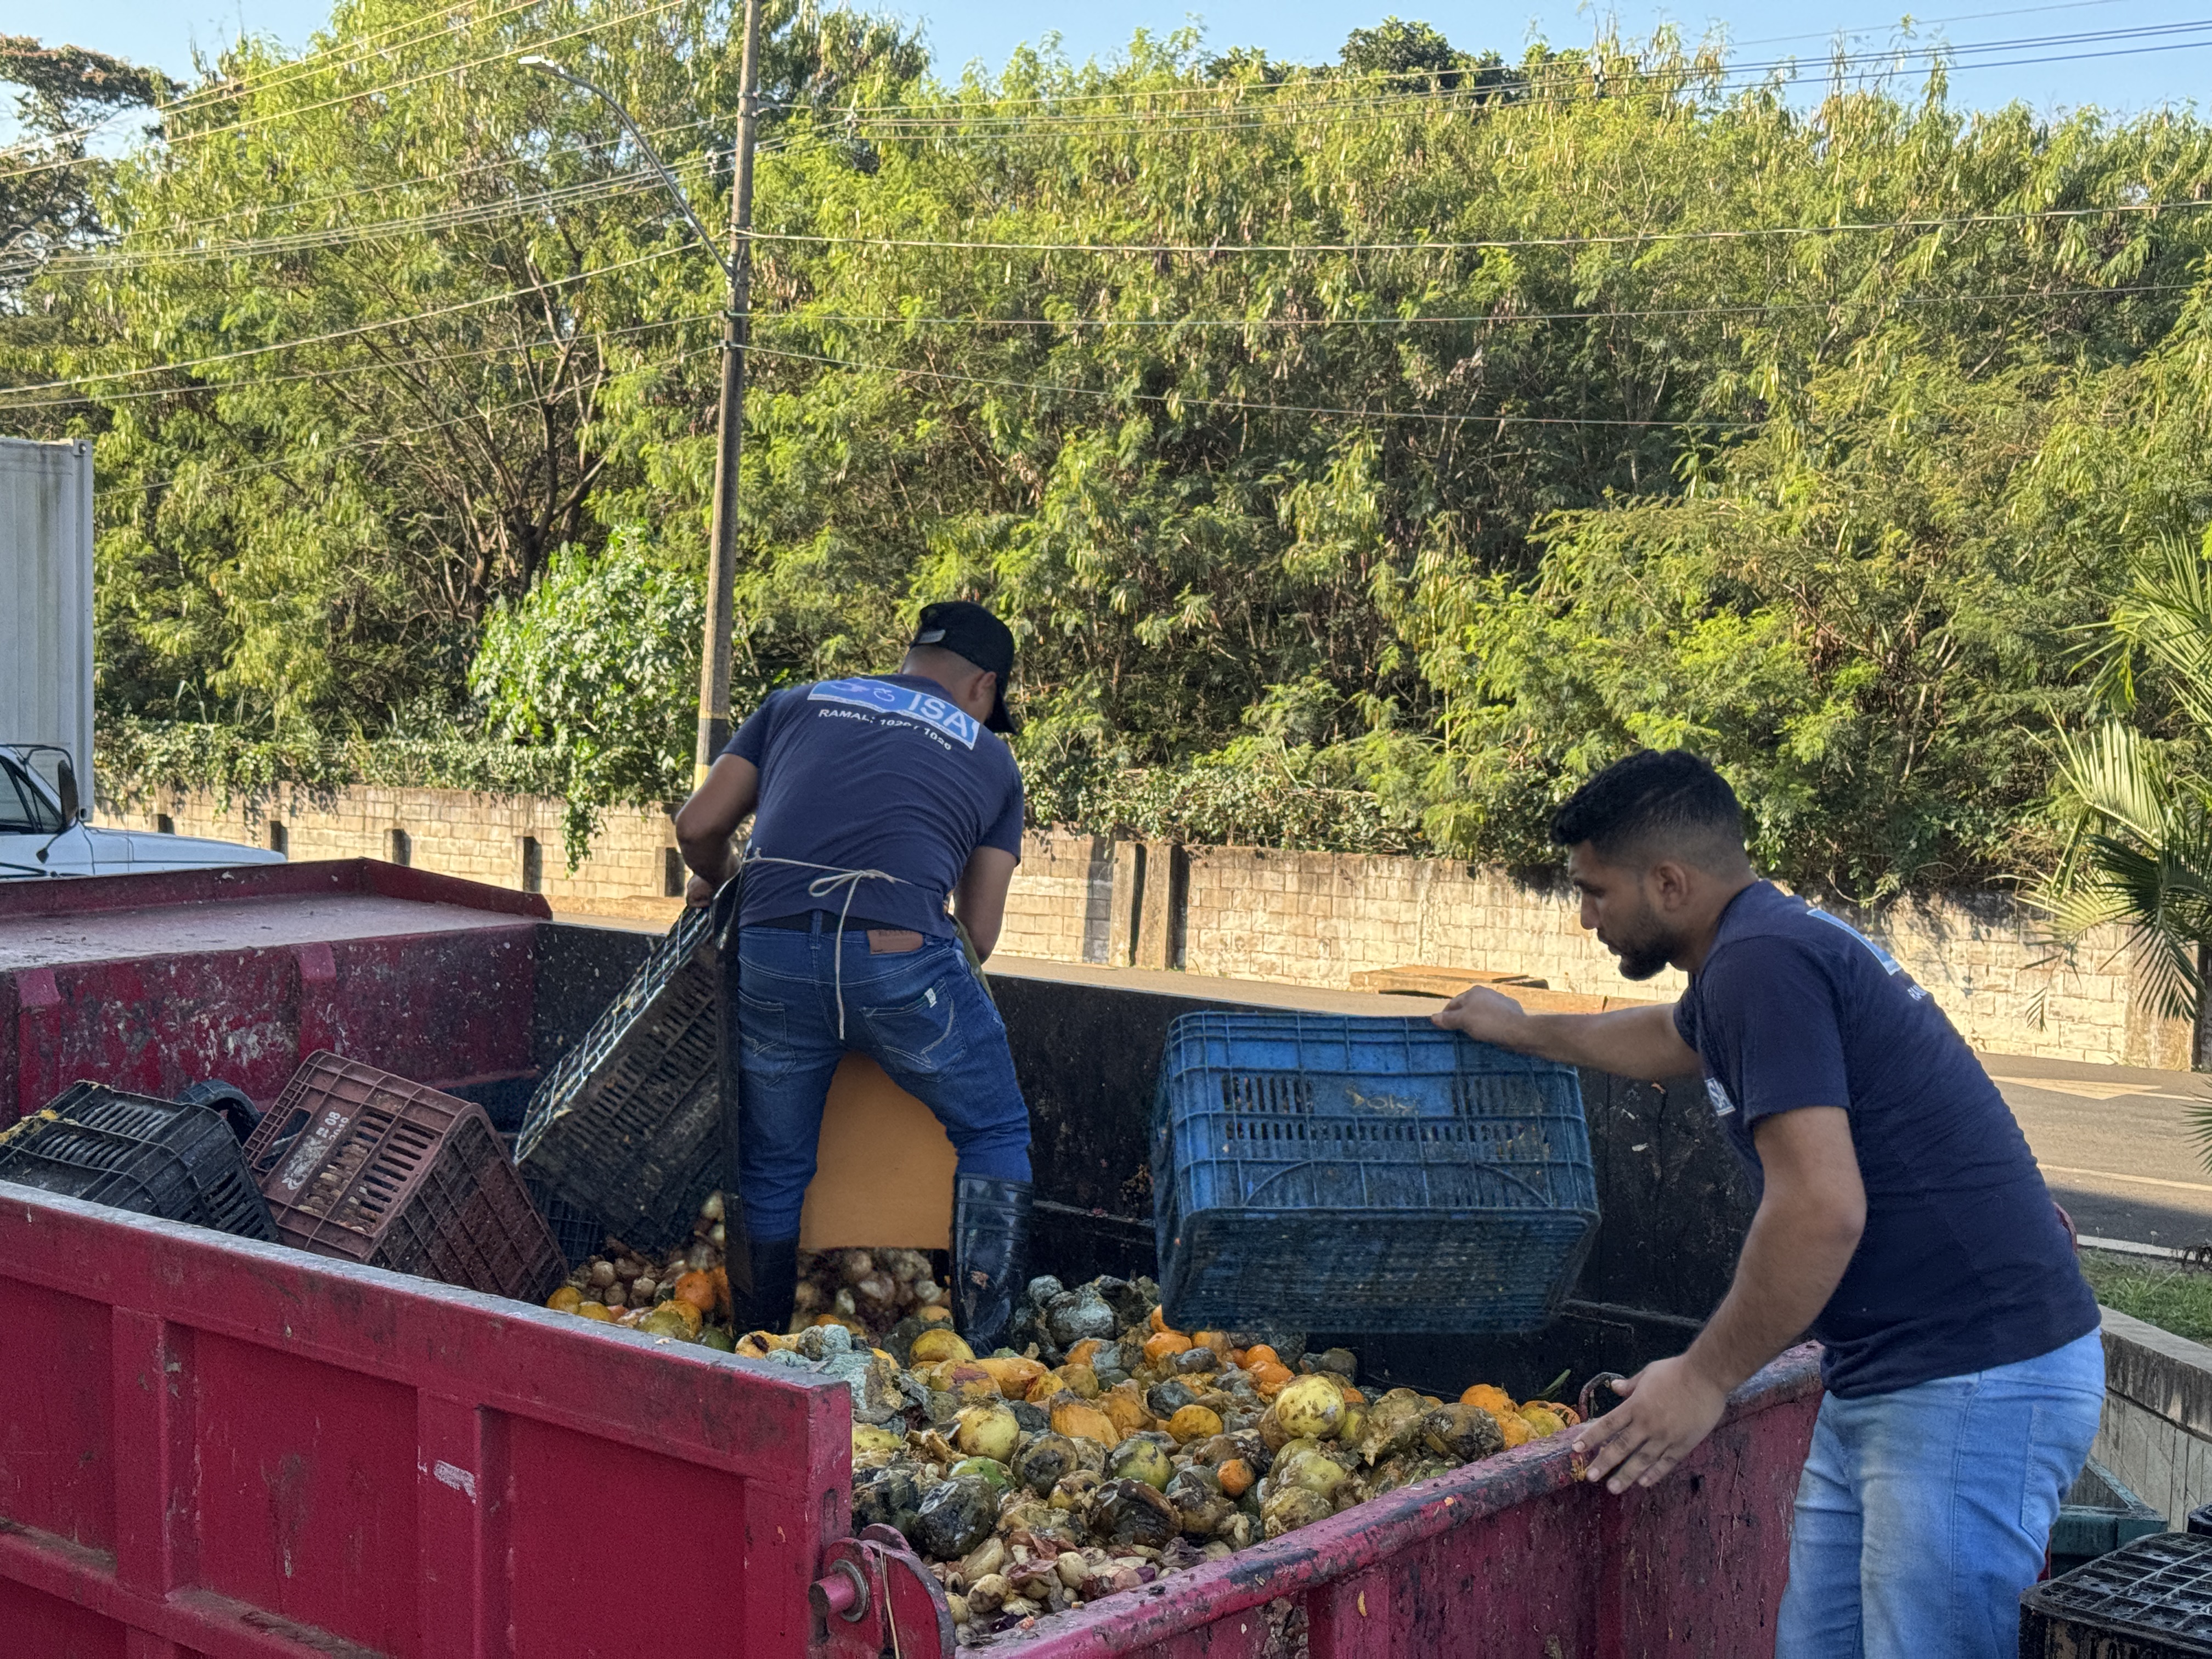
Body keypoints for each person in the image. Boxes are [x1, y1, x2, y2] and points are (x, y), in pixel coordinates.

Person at [1433, 749, 2102, 1659]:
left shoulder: (1764, 964)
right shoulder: (1756, 953)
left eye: (1594, 891)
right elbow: (1671, 1036)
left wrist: (1703, 1381)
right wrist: (1523, 1028)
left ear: (1668, 882)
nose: (1585, 916)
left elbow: (1822, 1208)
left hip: (1969, 1379)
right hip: (1892, 1371)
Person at [673, 601, 1035, 1350]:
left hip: (770, 952)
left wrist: (725, 878)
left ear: (910, 661)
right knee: (995, 1128)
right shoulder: (992, 757)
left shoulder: (794, 705)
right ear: (984, 688)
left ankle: (760, 1349)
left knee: (773, 1166)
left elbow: (699, 828)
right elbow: (981, 936)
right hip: (901, 956)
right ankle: (986, 1356)